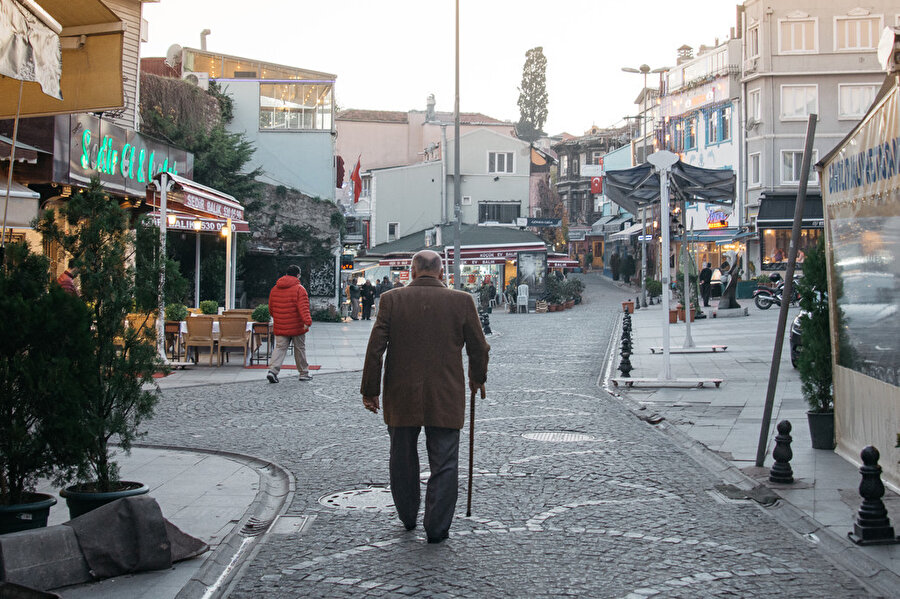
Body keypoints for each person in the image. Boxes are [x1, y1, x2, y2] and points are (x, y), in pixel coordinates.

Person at [360, 250, 490, 544]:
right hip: (446, 394)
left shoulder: (391, 300)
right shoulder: (462, 301)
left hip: (401, 393)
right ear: (442, 273)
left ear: (412, 272)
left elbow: (375, 348)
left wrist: (370, 390)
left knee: (401, 457)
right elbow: (479, 348)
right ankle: (437, 527)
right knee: (444, 462)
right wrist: (476, 378)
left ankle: (408, 514)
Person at [267, 264, 313, 383]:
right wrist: (307, 322)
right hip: (297, 326)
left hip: (281, 325)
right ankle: (303, 373)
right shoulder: (299, 289)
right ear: (298, 275)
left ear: (286, 273)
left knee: (279, 348)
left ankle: (273, 371)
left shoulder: (275, 288)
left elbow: (271, 308)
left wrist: (277, 317)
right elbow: (303, 308)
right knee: (300, 349)